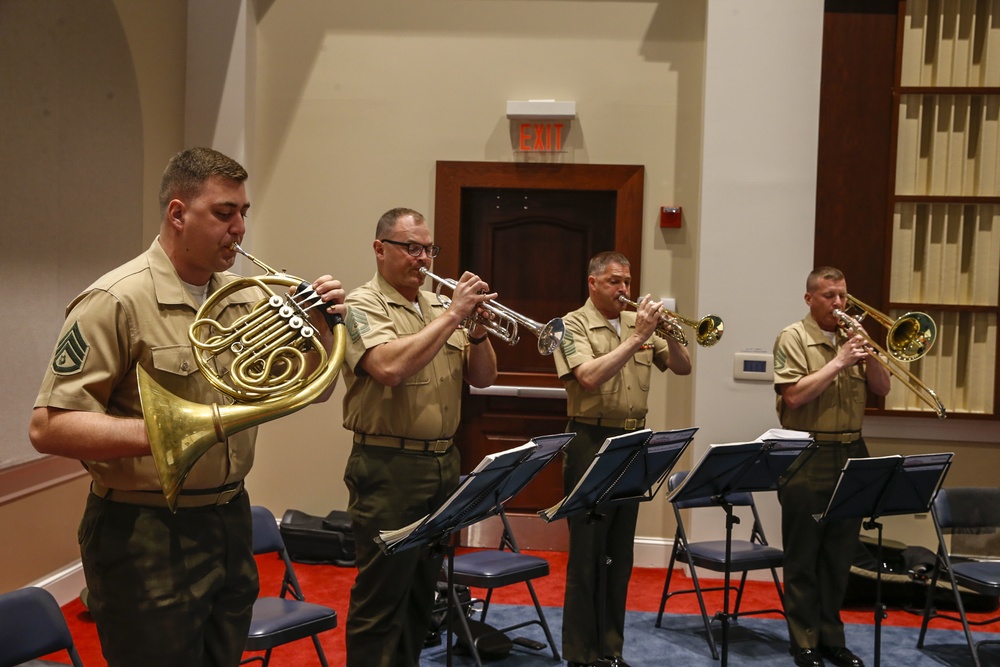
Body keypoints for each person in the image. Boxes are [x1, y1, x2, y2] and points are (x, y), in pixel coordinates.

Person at [28, 147, 346, 667]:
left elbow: (318, 389)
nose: (239, 228)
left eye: (244, 213)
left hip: (229, 517)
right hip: (145, 530)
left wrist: (320, 329)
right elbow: (49, 426)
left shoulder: (245, 299)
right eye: (225, 213)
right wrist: (167, 433)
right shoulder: (117, 299)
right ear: (178, 214)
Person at [341, 207, 499, 667]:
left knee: (419, 595)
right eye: (412, 247)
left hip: (442, 463)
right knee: (381, 599)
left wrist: (480, 332)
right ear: (380, 249)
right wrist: (454, 315)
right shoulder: (361, 304)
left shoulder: (434, 306)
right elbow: (388, 368)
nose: (423, 258)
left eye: (429, 248)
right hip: (389, 467)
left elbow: (485, 379)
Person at [552, 251, 691, 667]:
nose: (624, 290)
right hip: (589, 438)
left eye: (627, 282)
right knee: (587, 553)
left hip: (633, 439)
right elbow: (589, 377)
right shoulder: (569, 325)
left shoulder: (639, 324)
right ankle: (580, 654)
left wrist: (673, 332)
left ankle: (611, 651)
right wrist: (636, 340)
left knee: (619, 554)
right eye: (614, 281)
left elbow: (682, 368)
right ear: (592, 282)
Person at [773, 266, 891, 667]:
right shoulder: (794, 338)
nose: (839, 304)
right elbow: (793, 397)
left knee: (841, 555)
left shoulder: (854, 337)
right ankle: (803, 641)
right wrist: (840, 361)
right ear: (810, 298)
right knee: (804, 554)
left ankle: (831, 638)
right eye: (829, 296)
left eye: (843, 296)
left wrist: (869, 351)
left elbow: (883, 387)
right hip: (809, 452)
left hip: (853, 451)